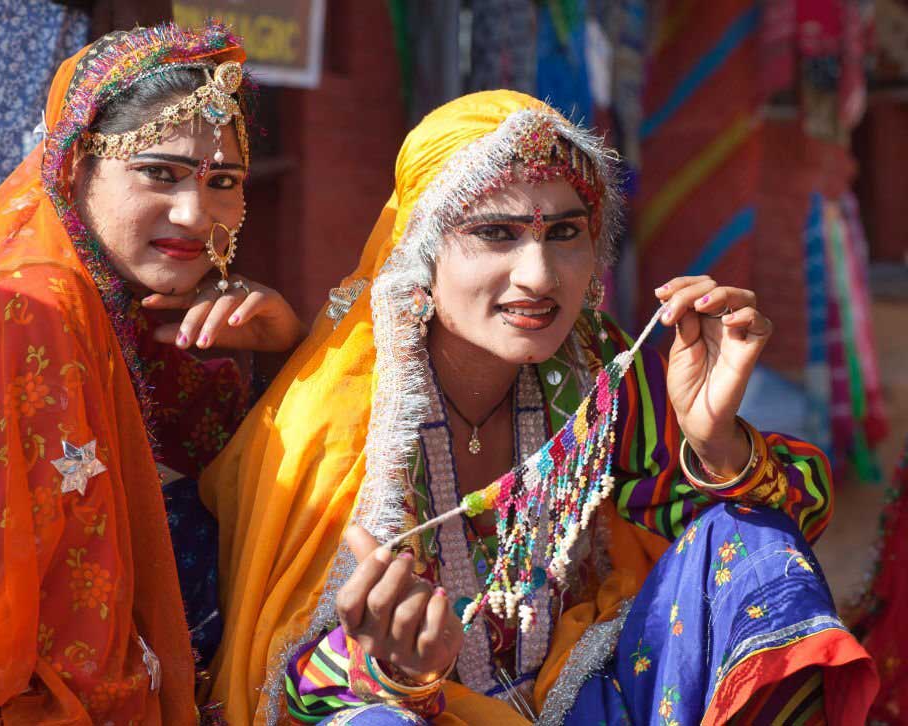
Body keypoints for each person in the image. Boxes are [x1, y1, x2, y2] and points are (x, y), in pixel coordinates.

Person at [199, 91, 877, 724]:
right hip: (418, 708)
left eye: (563, 234)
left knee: (750, 541)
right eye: (497, 234)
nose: (539, 276)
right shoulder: (345, 419)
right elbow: (283, 688)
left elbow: (789, 531)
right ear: (421, 251)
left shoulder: (596, 367)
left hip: (581, 698)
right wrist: (400, 673)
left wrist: (714, 441)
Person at [0, 23, 303, 723]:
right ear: (77, 165)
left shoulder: (115, 304)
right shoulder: (36, 308)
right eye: (159, 173)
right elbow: (61, 628)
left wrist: (283, 351)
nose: (195, 215)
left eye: (222, 182)